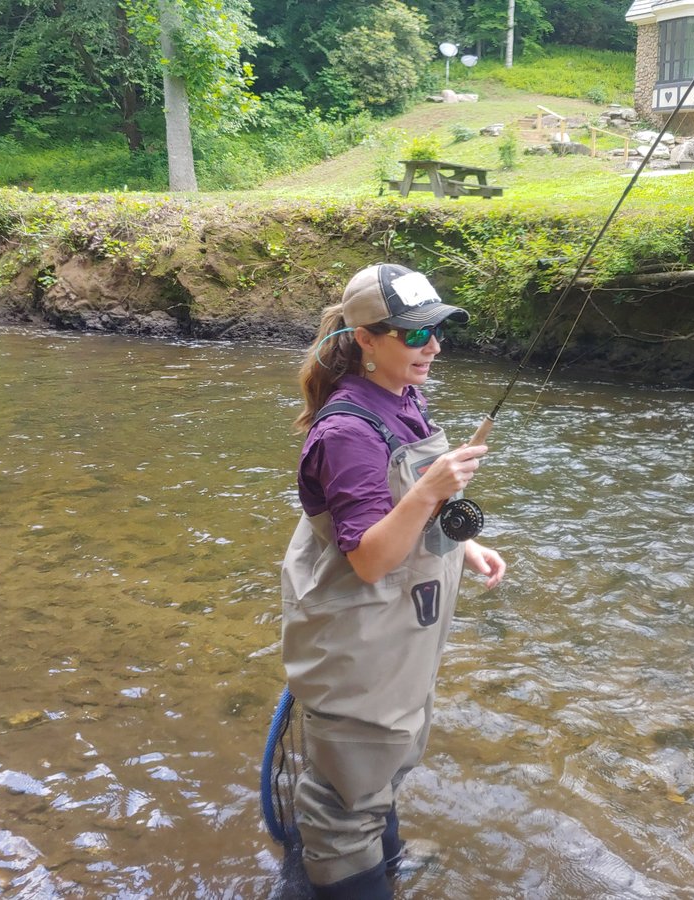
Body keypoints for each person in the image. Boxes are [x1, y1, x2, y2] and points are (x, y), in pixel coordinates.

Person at [281, 262, 506, 899]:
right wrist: (433, 488)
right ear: (365, 341)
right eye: (414, 335)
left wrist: (464, 548)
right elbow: (371, 560)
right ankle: (354, 879)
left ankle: (385, 865)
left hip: (396, 639)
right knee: (342, 803)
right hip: (358, 646)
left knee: (380, 763)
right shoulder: (348, 431)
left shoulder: (401, 397)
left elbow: (400, 515)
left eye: (436, 331)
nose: (432, 346)